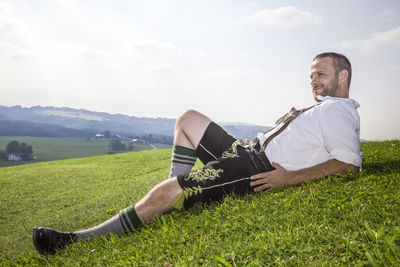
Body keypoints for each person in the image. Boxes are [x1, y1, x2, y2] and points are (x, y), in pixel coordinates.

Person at [32, 52, 362, 255]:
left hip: (254, 167)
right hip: (246, 150)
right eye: (311, 75)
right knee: (188, 119)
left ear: (342, 76)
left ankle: (77, 240)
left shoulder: (339, 111)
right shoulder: (327, 108)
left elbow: (348, 164)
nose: (313, 81)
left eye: (320, 74)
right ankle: (172, 195)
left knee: (166, 193)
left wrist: (288, 178)